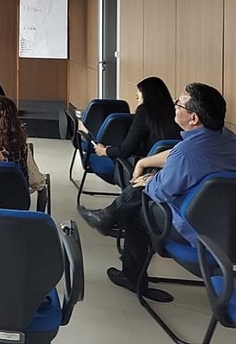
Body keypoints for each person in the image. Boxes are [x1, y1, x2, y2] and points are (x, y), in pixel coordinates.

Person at [79, 83, 236, 301]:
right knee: (142, 188)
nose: (175, 106)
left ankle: (131, 275)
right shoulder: (227, 138)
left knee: (138, 208)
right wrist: (144, 162)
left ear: (193, 118)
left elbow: (159, 192)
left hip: (191, 229)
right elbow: (178, 153)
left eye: (179, 104)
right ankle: (108, 216)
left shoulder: (185, 154)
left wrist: (149, 180)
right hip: (226, 229)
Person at [94, 76, 181, 159]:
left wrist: (104, 151)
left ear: (147, 97)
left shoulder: (144, 112)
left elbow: (125, 150)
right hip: (175, 163)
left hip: (150, 164)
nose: (138, 102)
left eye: (138, 98)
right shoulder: (175, 111)